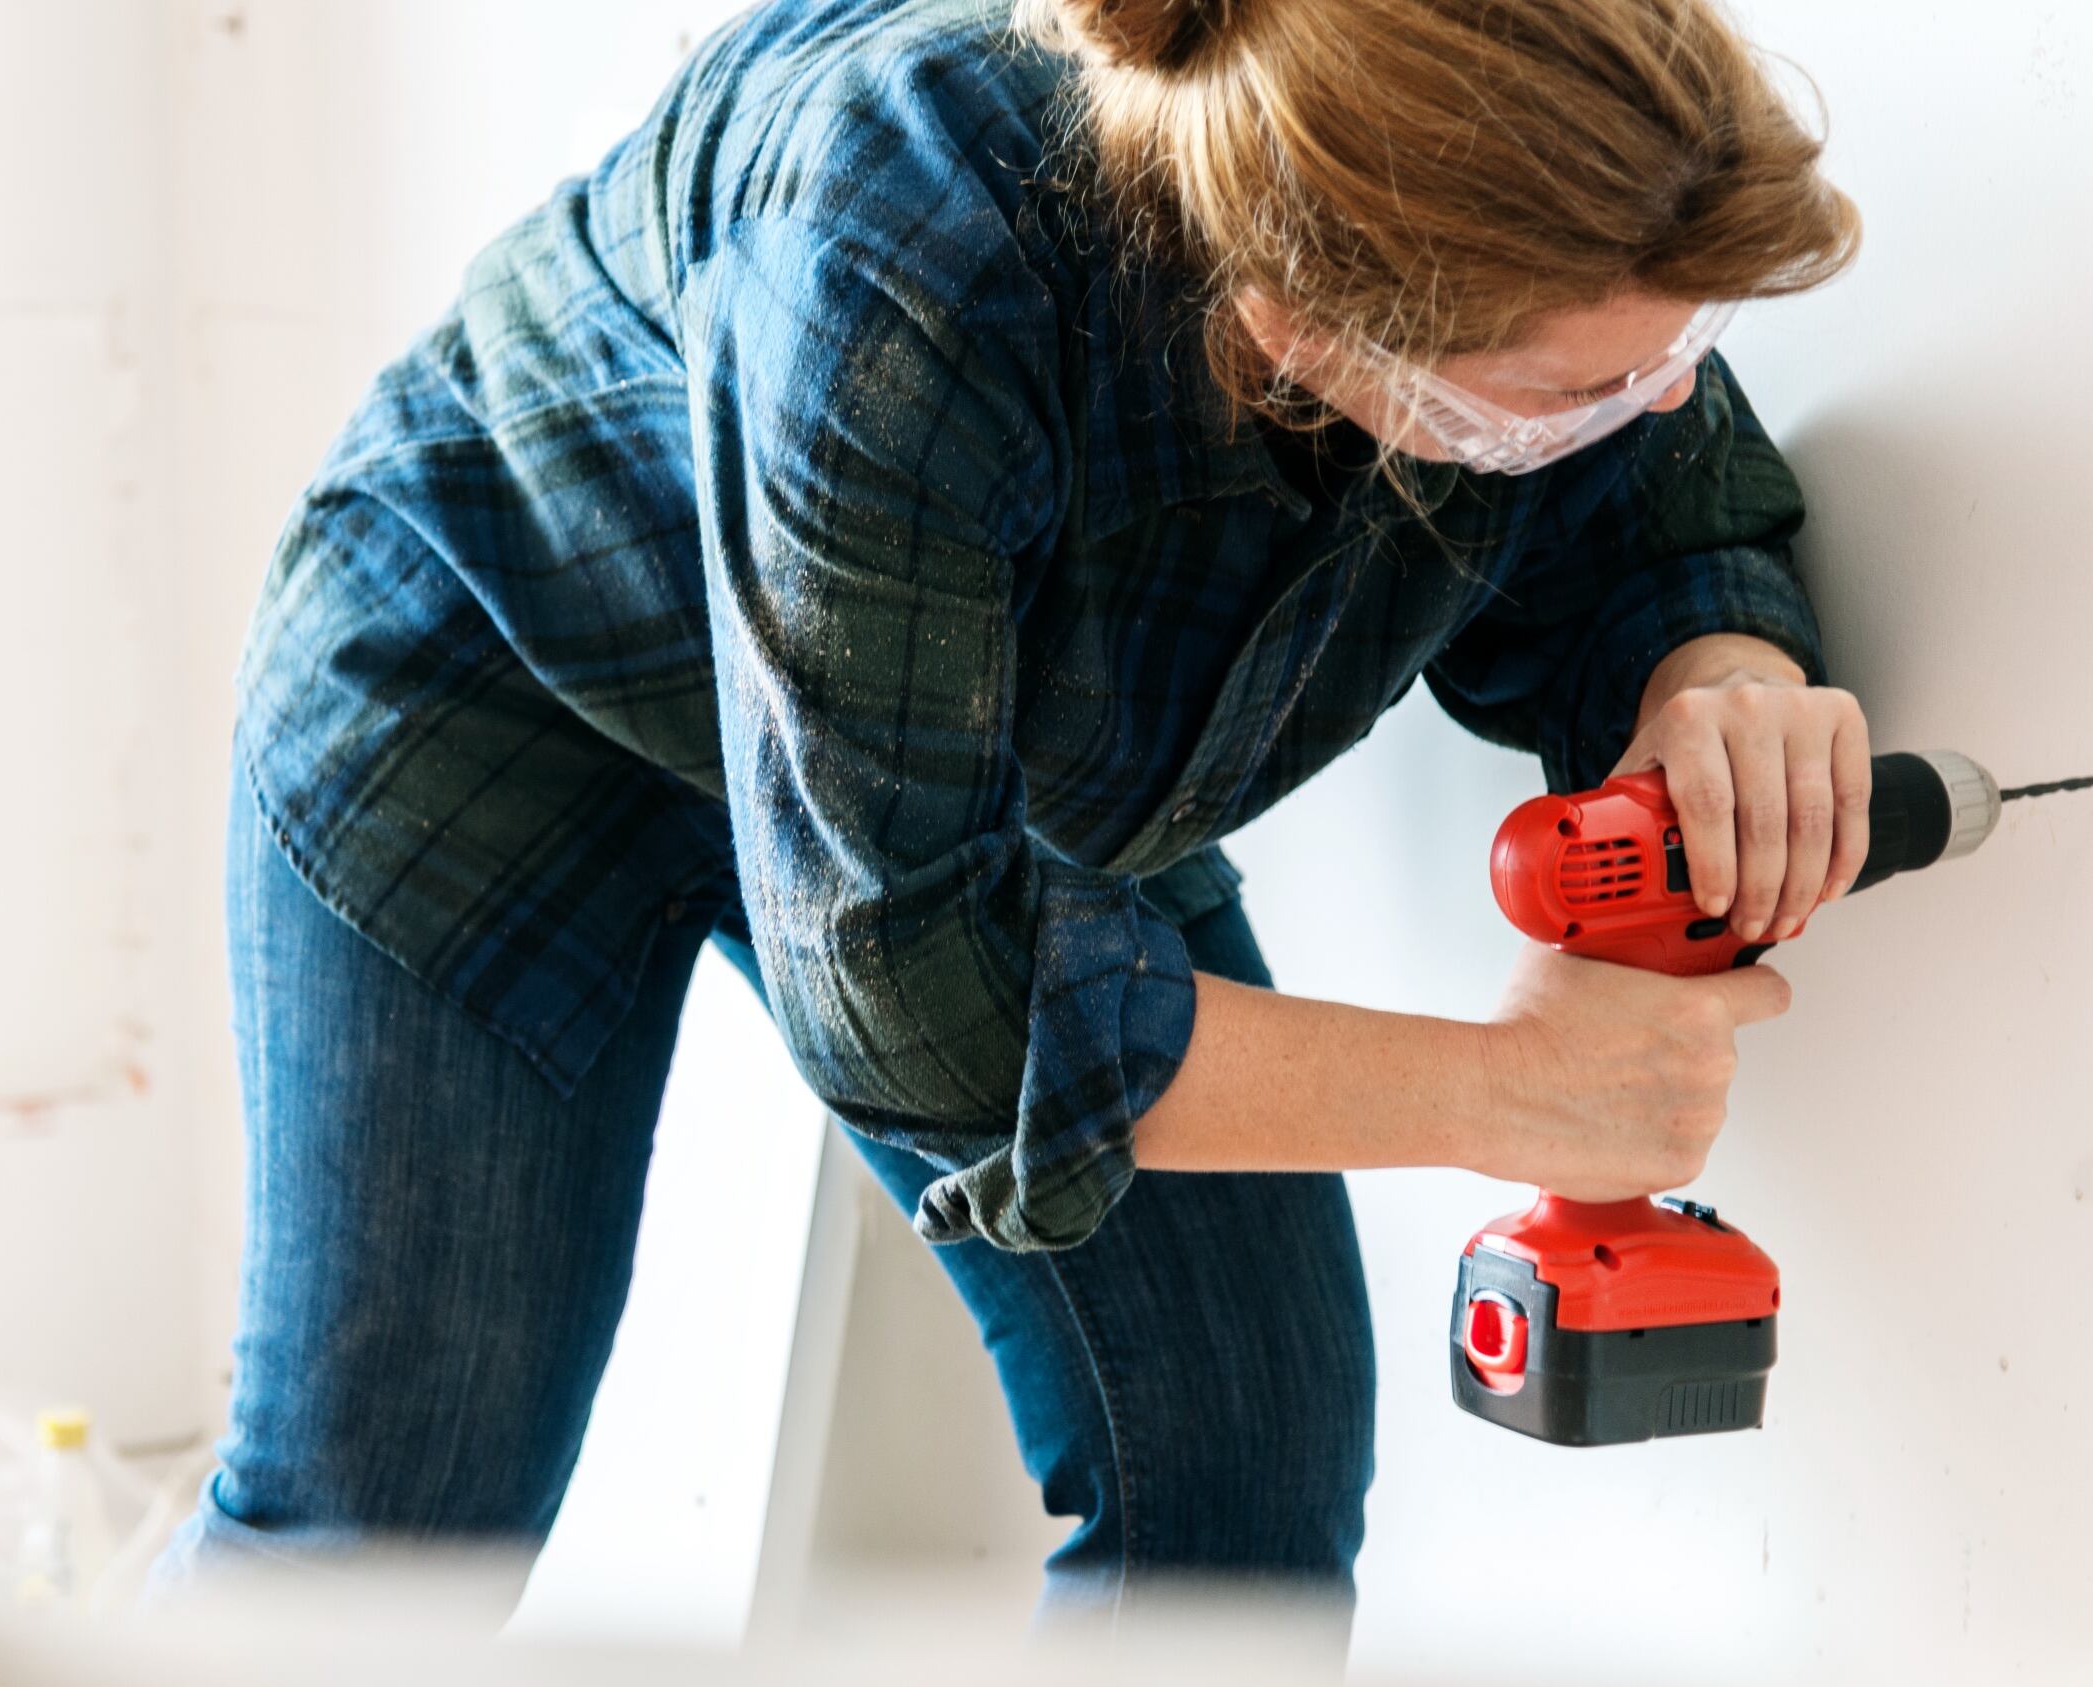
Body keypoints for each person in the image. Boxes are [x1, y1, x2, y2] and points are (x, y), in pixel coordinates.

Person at [156, 0, 1871, 1622]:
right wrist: (1508, 1095)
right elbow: (921, 999)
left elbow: (1657, 508)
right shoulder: (897, 237)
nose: (1654, 400)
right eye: (1586, 391)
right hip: (502, 691)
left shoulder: (1514, 229)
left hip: (956, 747)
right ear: (1302, 319)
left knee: (1238, 1466)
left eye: (1684, 352)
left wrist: (1715, 675)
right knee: (381, 1530)